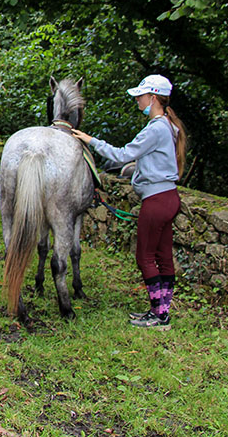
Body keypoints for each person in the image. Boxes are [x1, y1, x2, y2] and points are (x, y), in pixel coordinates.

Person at [71, 74, 188, 330]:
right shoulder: (168, 125)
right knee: (163, 256)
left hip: (156, 200)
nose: (137, 100)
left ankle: (158, 315)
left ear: (153, 97)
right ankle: (162, 313)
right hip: (169, 196)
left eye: (140, 96)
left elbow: (122, 154)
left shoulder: (156, 128)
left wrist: (90, 140)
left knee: (145, 256)